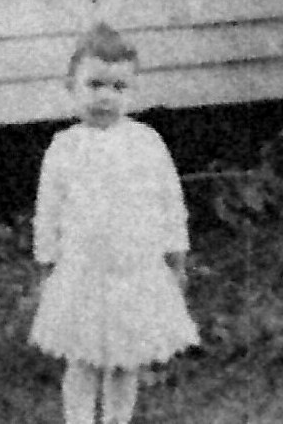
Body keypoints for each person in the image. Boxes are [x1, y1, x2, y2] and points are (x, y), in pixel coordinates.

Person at [25, 23, 195, 424]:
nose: (105, 97)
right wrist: (46, 262)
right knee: (82, 360)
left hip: (133, 271)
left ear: (132, 91)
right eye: (95, 84)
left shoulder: (146, 142)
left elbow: (170, 202)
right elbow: (47, 211)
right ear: (72, 85)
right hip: (83, 272)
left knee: (124, 362)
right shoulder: (64, 147)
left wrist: (176, 256)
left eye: (118, 88)